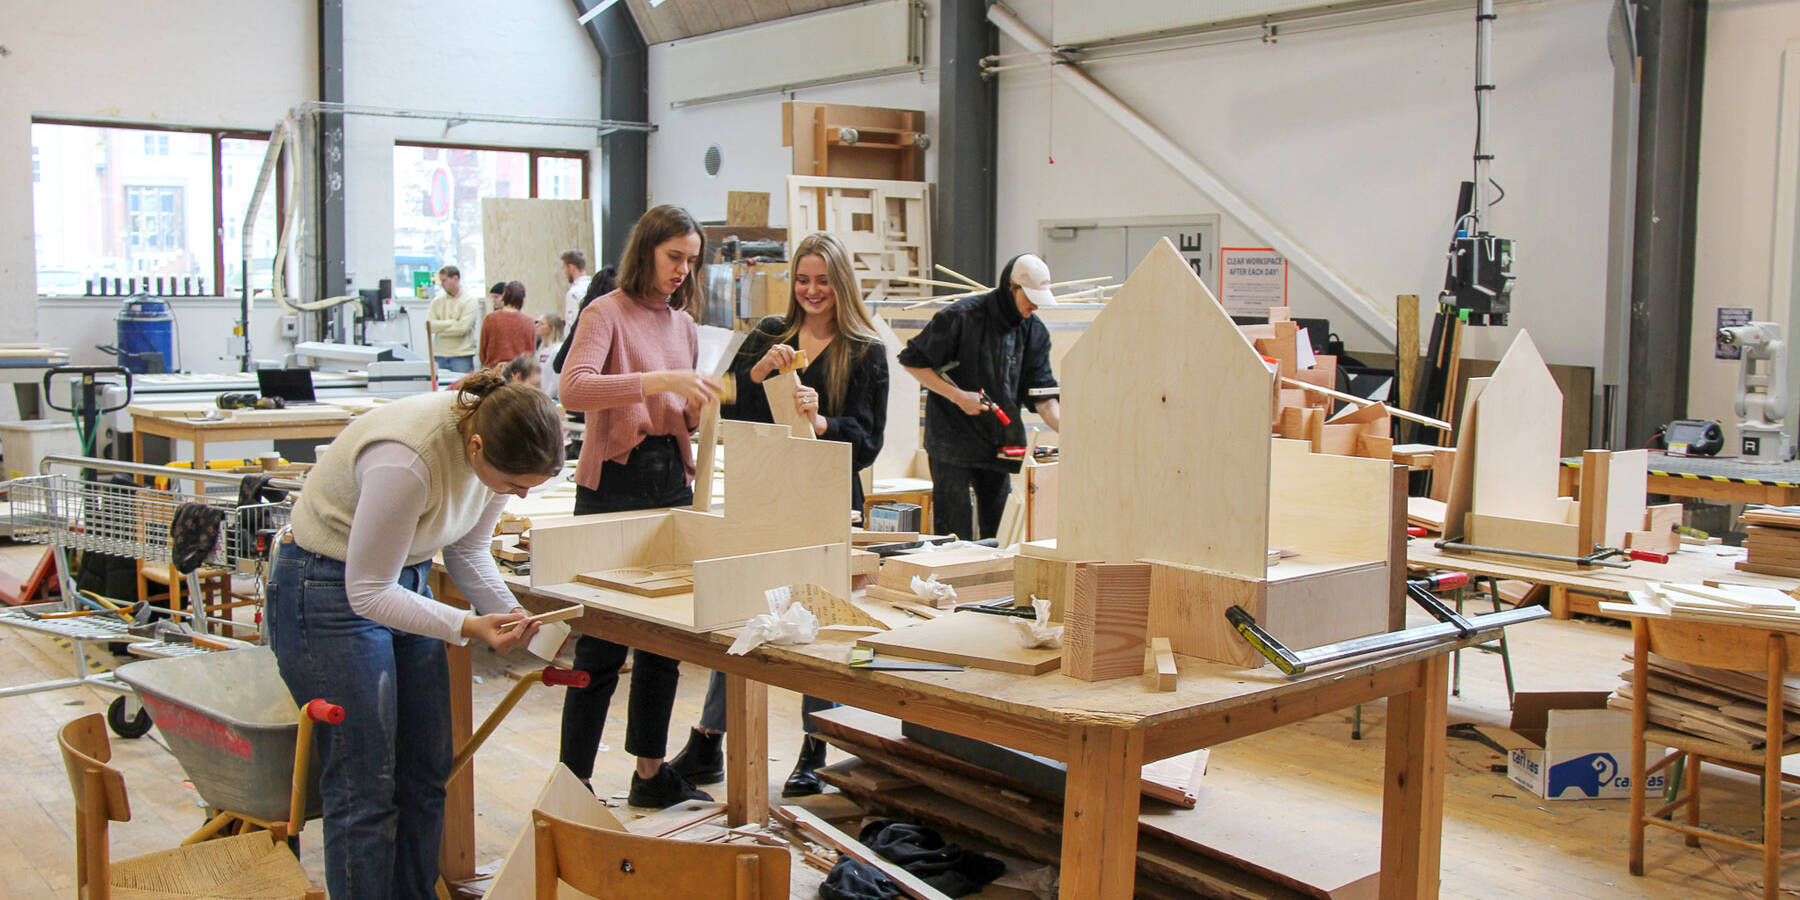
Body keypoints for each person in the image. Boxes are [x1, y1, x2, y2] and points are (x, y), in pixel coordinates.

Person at [268, 371, 563, 899]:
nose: (518, 495)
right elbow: (367, 594)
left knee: (426, 771)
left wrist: (512, 614)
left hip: (401, 578)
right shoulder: (408, 460)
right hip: (326, 585)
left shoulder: (498, 452)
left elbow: (468, 553)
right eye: (515, 484)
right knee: (365, 784)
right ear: (475, 447)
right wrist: (468, 625)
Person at [668, 231, 888, 797]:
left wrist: (821, 423)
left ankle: (817, 747)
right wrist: (760, 374)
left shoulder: (865, 351)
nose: (811, 291)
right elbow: (721, 396)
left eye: (823, 281)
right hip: (763, 494)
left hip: (827, 503)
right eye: (802, 279)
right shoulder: (772, 334)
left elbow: (868, 443)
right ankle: (707, 740)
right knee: (743, 610)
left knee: (816, 625)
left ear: (841, 285)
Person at [557, 205, 723, 808]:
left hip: (669, 480)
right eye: (674, 256)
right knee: (599, 643)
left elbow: (678, 414)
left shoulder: (683, 325)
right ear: (648, 248)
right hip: (615, 484)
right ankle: (571, 785)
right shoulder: (606, 312)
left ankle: (650, 776)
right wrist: (657, 382)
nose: (683, 270)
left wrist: (696, 412)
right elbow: (572, 388)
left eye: (691, 261)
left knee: (663, 639)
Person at [898, 253, 1062, 540]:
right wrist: (958, 396)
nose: (1034, 306)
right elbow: (912, 360)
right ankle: (951, 583)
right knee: (953, 534)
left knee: (999, 531)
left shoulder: (1034, 331)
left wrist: (1070, 430)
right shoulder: (961, 316)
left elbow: (1042, 395)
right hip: (952, 441)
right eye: (1030, 297)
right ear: (1012, 286)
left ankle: (991, 584)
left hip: (1000, 441)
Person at [426, 265, 481, 374]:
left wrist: (440, 328)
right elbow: (429, 326)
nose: (442, 285)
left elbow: (462, 329)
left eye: (444, 281)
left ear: (455, 278)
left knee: (463, 389)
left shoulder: (470, 301)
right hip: (439, 354)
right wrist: (451, 322)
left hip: (461, 355)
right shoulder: (437, 302)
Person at [479, 281, 537, 369]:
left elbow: (483, 350)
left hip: (495, 371)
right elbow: (531, 352)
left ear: (504, 297)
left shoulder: (490, 319)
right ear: (522, 300)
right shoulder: (529, 321)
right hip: (520, 373)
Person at [535, 314, 564, 401]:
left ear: (552, 329)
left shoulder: (557, 350)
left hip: (551, 398)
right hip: (541, 395)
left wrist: (546, 398)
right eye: (537, 323)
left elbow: (555, 379)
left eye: (541, 324)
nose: (537, 326)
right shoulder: (541, 349)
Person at [562, 249, 591, 327]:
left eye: (564, 268)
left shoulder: (574, 294)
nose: (564, 272)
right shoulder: (593, 287)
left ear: (571, 267)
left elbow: (571, 324)